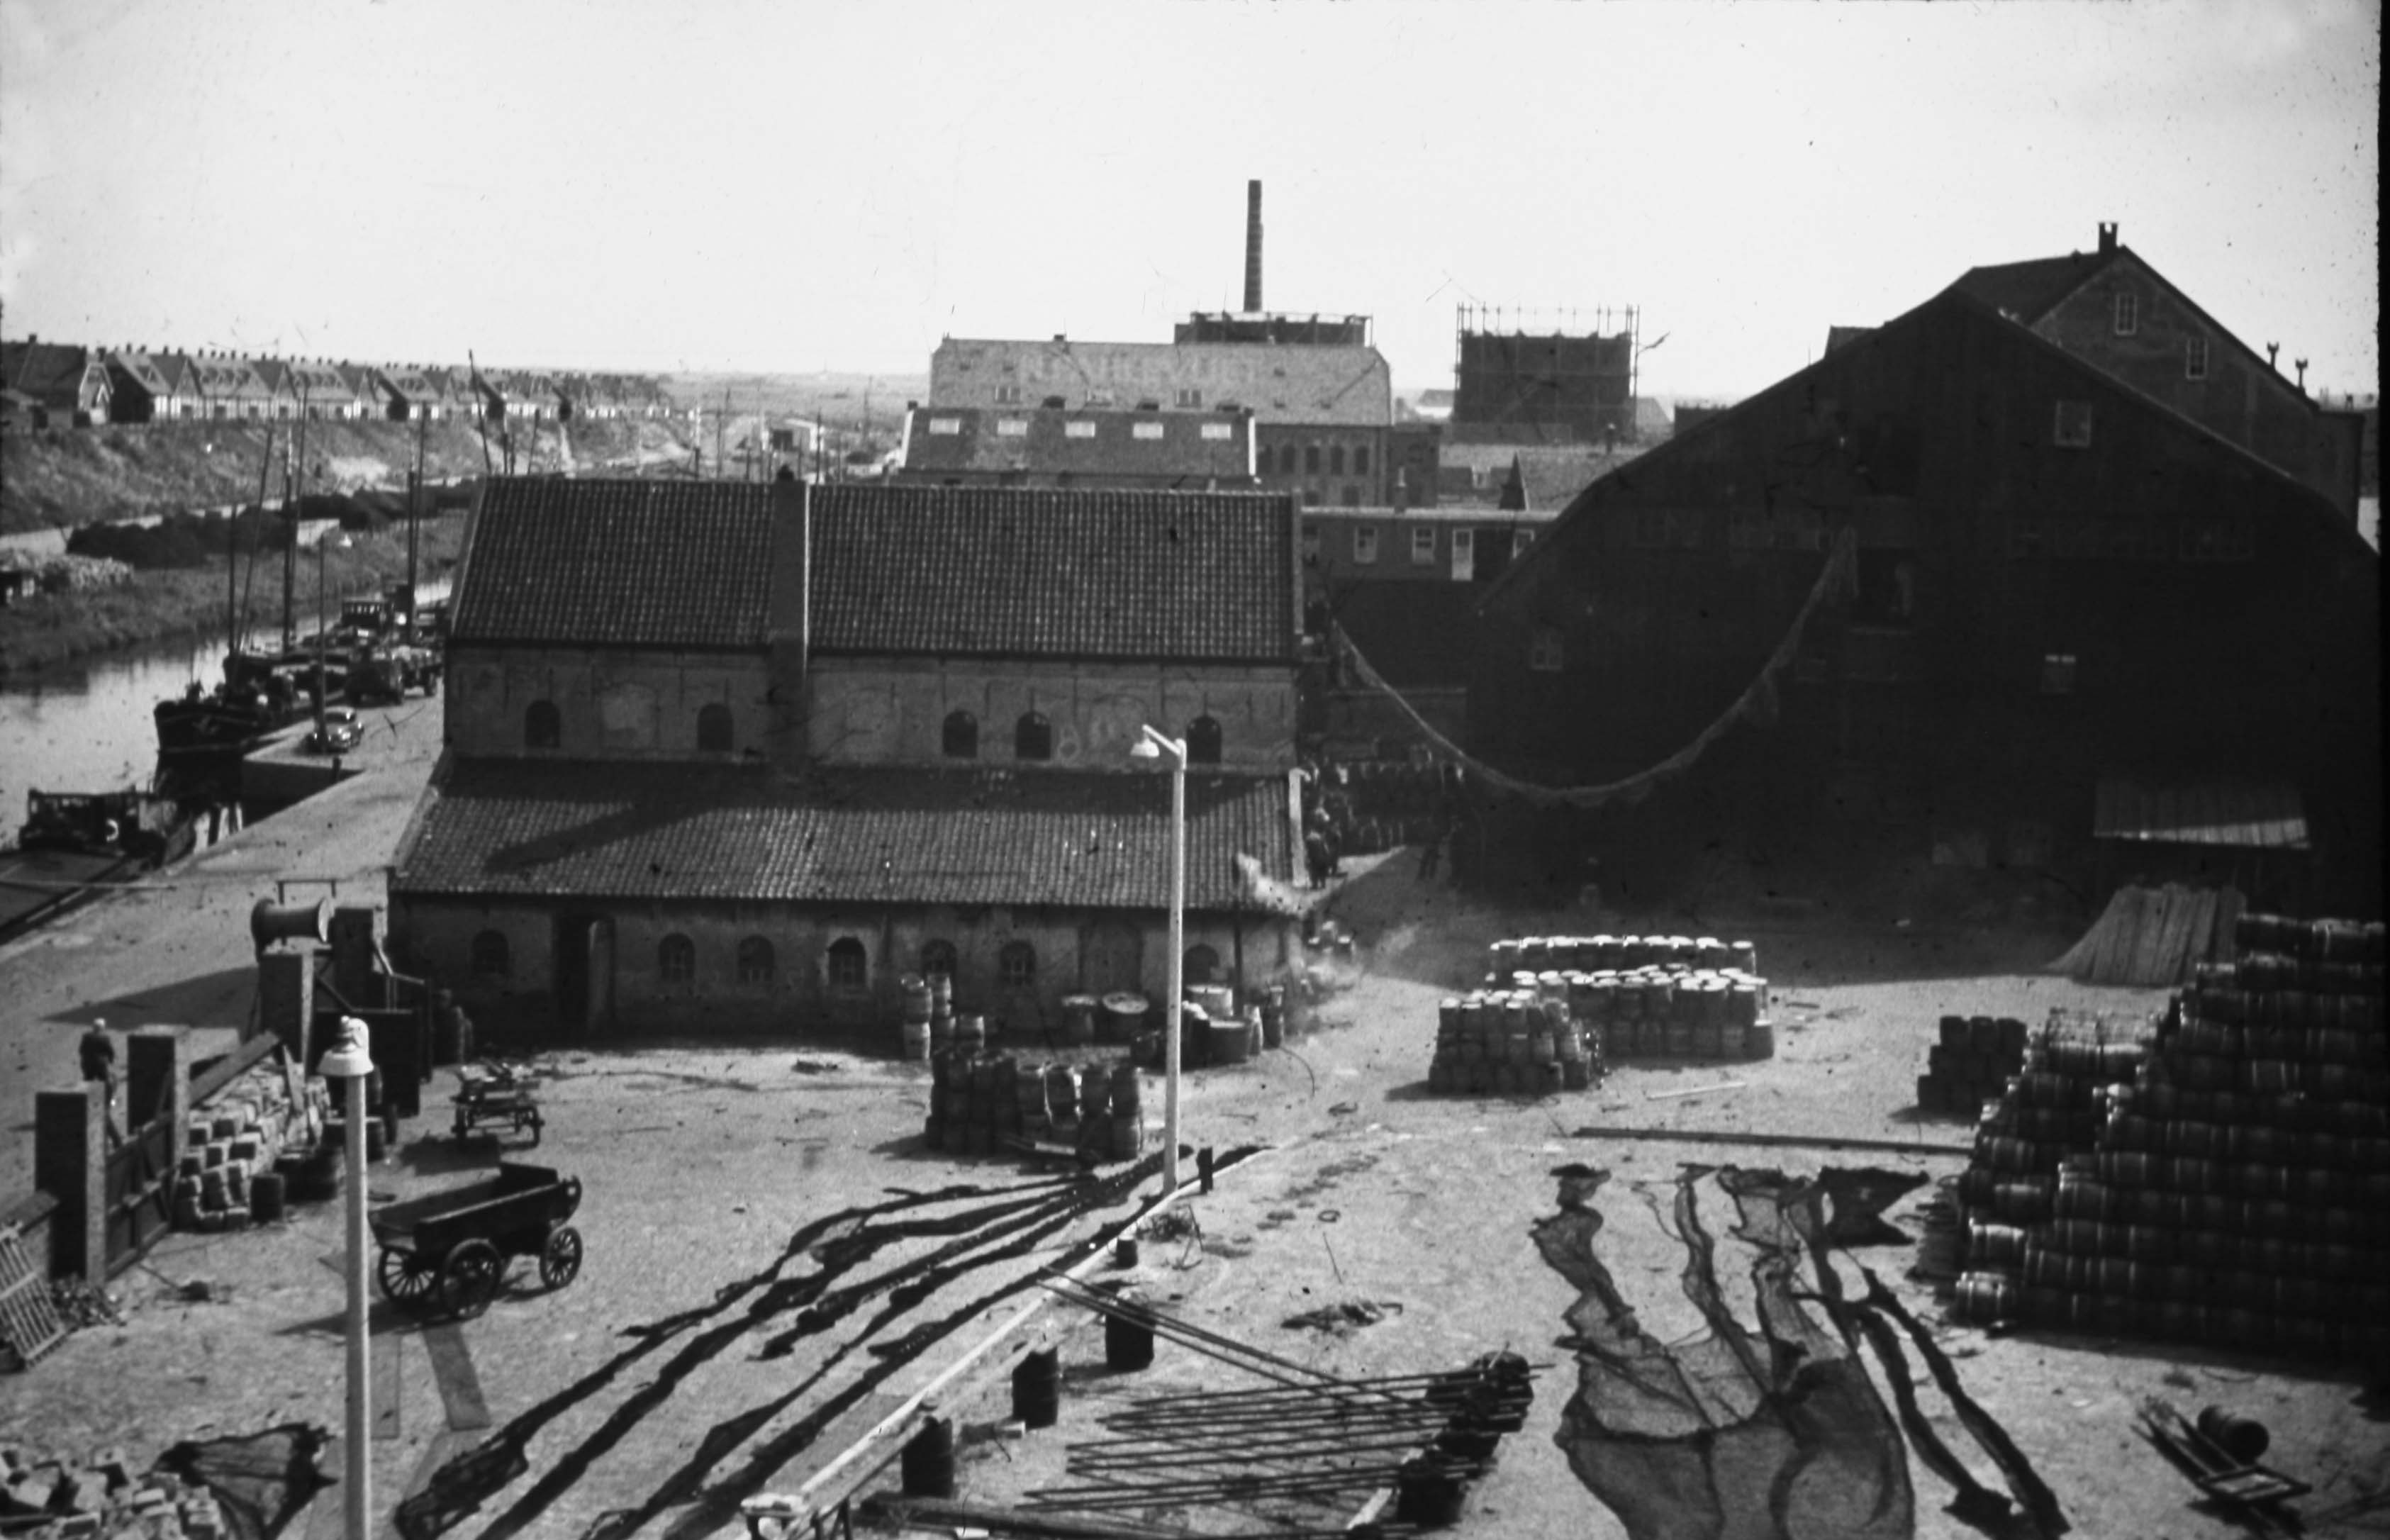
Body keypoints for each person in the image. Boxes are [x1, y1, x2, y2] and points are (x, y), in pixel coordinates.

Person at [79, 1017, 122, 1146]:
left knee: (88, 1082)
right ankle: (110, 1101)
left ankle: (86, 1099)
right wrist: (111, 1060)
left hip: (87, 1065)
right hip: (100, 1066)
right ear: (102, 1029)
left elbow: (81, 1051)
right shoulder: (105, 1039)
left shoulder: (86, 1037)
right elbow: (110, 1052)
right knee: (109, 1082)